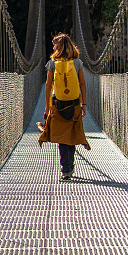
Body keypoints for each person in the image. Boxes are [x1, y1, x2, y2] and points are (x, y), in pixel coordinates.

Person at [37, 33, 91, 180]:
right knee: (71, 136)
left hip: (58, 103)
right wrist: (83, 104)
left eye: (55, 45)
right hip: (74, 104)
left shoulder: (52, 63)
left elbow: (48, 85)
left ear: (58, 47)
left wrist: (48, 106)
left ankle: (65, 169)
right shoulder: (77, 62)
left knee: (62, 137)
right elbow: (82, 84)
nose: (53, 47)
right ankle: (69, 167)